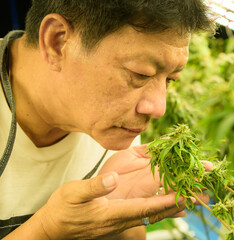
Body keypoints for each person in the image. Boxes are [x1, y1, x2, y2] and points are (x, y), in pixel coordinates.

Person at [0, 0, 215, 239]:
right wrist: (48, 231)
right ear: (57, 41)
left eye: (170, 80)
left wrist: (118, 219)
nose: (157, 108)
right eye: (140, 74)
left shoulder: (111, 125)